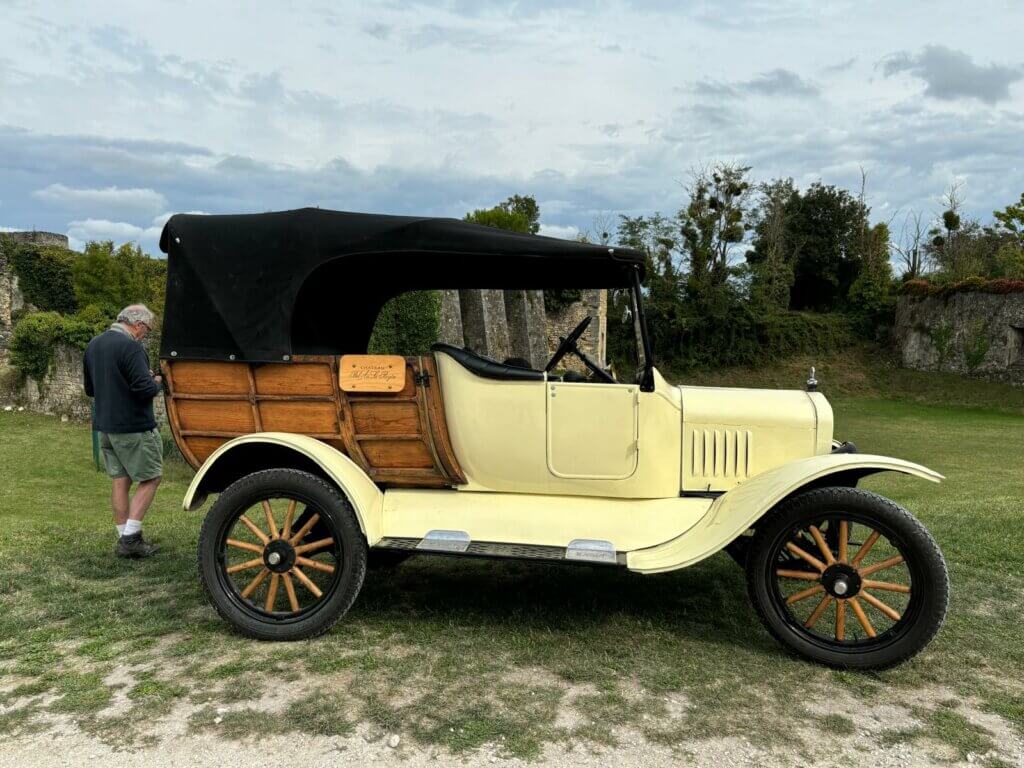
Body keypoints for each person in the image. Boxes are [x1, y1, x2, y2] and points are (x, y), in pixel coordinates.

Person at [83, 304, 163, 558]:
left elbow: (90, 389)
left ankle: (123, 537)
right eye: (146, 330)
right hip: (133, 426)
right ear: (137, 325)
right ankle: (130, 539)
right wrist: (156, 381)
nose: (145, 335)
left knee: (121, 480)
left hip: (105, 426)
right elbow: (145, 389)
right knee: (151, 477)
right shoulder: (131, 346)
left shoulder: (94, 345)